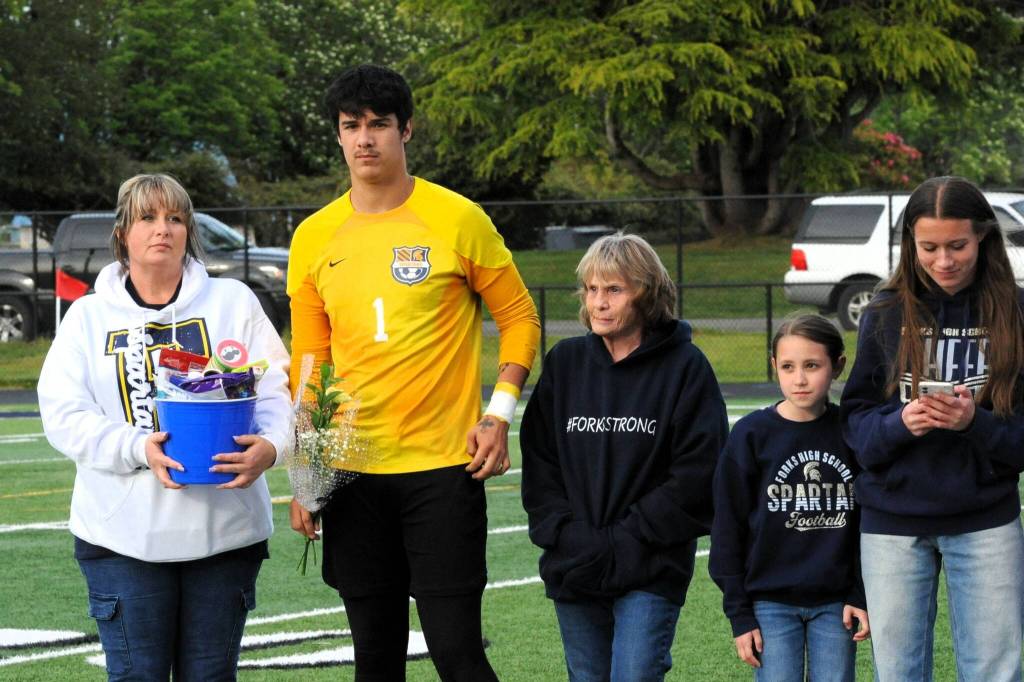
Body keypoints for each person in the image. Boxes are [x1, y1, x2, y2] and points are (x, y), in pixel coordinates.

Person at [286, 64, 540, 681]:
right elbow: (310, 361)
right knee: (375, 661)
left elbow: (522, 319)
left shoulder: (457, 218)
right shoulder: (313, 237)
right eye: (352, 126)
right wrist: (306, 471)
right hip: (353, 472)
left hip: (442, 472)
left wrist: (497, 415)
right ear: (339, 136)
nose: (365, 138)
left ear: (407, 130)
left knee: (458, 655)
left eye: (379, 124)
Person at [37, 173, 292, 681]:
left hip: (224, 536)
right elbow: (63, 412)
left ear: (189, 231)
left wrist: (271, 446)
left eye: (175, 218)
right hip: (121, 538)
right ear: (121, 234)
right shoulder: (86, 317)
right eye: (148, 217)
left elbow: (274, 391)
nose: (162, 229)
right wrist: (137, 447)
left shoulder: (233, 301)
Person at [518, 232, 727, 682]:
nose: (599, 302)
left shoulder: (686, 368)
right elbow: (540, 459)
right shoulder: (566, 363)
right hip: (574, 563)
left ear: (646, 294)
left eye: (614, 289)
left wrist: (629, 535)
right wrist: (566, 533)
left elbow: (698, 471)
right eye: (592, 289)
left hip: (650, 564)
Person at [841, 176, 1024, 680]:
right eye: (929, 247)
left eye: (958, 245)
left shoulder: (1016, 311)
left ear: (983, 238)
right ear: (910, 245)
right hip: (892, 523)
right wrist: (901, 422)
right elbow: (856, 426)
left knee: (995, 671)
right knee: (898, 672)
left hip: (986, 519)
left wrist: (974, 424)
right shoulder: (883, 311)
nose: (944, 260)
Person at [710, 314, 869, 682]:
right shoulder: (751, 435)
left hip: (836, 604)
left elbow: (869, 525)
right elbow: (727, 528)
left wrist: (861, 594)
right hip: (770, 603)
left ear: (838, 366)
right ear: (773, 367)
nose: (799, 378)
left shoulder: (851, 433)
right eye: (788, 366)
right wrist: (740, 614)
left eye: (812, 365)